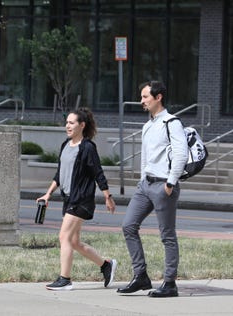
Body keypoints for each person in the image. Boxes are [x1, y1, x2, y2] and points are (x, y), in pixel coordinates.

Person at [117, 81, 188, 298]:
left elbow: (181, 154)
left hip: (163, 185)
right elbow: (146, 157)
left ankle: (170, 283)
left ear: (158, 97)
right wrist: (141, 180)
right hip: (146, 185)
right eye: (141, 97)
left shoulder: (172, 122)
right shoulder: (148, 125)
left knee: (167, 235)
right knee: (128, 226)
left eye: (145, 97)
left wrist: (170, 182)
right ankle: (141, 277)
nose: (142, 101)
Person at [37, 107, 117, 291]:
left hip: (81, 199)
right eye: (67, 122)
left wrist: (108, 197)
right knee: (73, 242)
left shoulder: (87, 147)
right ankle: (106, 265)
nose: (68, 125)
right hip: (69, 198)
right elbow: (60, 174)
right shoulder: (66, 145)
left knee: (63, 236)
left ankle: (65, 279)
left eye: (72, 123)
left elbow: (98, 173)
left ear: (82, 125)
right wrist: (48, 193)